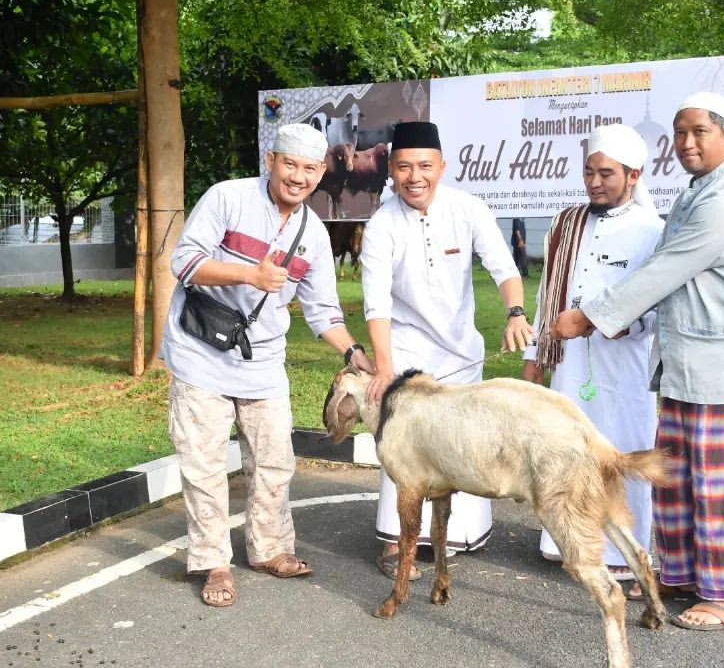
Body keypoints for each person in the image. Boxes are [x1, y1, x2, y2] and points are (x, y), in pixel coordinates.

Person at [550, 92, 724, 631]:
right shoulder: (696, 192)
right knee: (680, 478)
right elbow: (662, 265)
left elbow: (667, 269)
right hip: (691, 361)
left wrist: (589, 317)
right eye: (680, 132)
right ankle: (684, 575)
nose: (687, 143)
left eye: (700, 131)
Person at [161, 123, 374, 608]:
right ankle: (214, 561)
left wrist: (354, 352)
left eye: (309, 169)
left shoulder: (312, 233)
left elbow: (323, 310)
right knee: (204, 464)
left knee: (275, 460)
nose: (298, 177)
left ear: (321, 173)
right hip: (198, 351)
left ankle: (268, 548)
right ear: (271, 161)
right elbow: (185, 262)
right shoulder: (227, 197)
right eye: (289, 164)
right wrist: (249, 274)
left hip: (261, 359)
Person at [359, 120, 533, 579]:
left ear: (442, 166)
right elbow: (376, 302)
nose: (414, 177)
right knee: (403, 444)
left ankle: (456, 535)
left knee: (460, 442)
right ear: (391, 170)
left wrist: (516, 313)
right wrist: (384, 367)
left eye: (424, 166)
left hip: (460, 352)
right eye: (403, 167)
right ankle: (396, 542)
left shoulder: (467, 208)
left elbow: (503, 268)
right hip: (406, 351)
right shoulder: (381, 225)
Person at [522, 124, 664, 585]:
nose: (595, 182)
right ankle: (566, 542)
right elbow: (547, 296)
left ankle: (625, 550)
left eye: (606, 174)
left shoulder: (653, 231)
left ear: (634, 175)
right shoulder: (566, 223)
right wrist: (533, 358)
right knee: (567, 451)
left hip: (624, 367)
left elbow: (657, 306)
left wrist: (610, 323)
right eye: (589, 172)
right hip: (568, 362)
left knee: (622, 454)